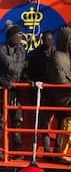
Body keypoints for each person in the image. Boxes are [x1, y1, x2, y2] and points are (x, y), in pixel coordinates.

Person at [0, 20, 26, 161]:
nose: (20, 38)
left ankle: (17, 149)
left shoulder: (21, 51)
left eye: (21, 36)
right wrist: (3, 82)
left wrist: (28, 81)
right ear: (11, 37)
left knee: (18, 120)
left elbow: (24, 69)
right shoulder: (0, 50)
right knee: (1, 121)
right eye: (18, 36)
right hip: (3, 91)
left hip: (17, 91)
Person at [27, 30, 55, 154]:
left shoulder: (57, 53)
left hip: (56, 92)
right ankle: (47, 150)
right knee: (43, 122)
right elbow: (28, 73)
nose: (47, 42)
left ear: (53, 40)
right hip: (41, 92)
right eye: (45, 40)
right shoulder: (35, 54)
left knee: (61, 120)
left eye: (49, 40)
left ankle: (58, 150)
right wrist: (32, 82)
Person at [47, 27, 71, 163]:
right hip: (62, 95)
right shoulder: (57, 56)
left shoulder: (68, 56)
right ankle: (63, 152)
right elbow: (60, 80)